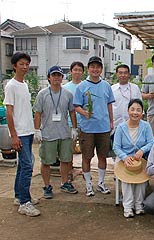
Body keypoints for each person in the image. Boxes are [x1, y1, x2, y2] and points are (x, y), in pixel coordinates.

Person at [4, 52, 40, 217]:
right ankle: (25, 203)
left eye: (27, 64)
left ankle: (19, 197)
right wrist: (13, 135)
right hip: (20, 133)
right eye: (21, 64)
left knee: (23, 165)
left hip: (28, 130)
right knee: (27, 166)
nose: (25, 67)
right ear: (14, 66)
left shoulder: (24, 84)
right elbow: (9, 113)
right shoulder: (11, 86)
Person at [33, 66, 78, 199]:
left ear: (62, 78)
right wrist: (37, 130)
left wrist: (74, 128)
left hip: (64, 133)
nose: (57, 78)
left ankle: (64, 183)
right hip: (48, 133)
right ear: (49, 77)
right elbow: (38, 113)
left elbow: (72, 112)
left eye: (59, 75)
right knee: (46, 161)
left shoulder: (68, 94)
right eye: (54, 75)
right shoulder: (42, 94)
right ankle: (47, 186)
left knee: (65, 159)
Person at [73, 56, 115, 197]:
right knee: (87, 157)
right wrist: (84, 113)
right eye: (92, 67)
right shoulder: (82, 86)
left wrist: (111, 121)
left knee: (103, 156)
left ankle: (101, 183)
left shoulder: (106, 86)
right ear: (88, 69)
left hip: (103, 127)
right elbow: (76, 106)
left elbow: (109, 104)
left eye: (98, 67)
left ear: (101, 69)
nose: (95, 69)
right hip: (87, 128)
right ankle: (88, 185)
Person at [113, 99, 154, 218]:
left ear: (142, 113)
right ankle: (127, 207)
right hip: (124, 158)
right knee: (127, 180)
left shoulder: (146, 126)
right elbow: (116, 147)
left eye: (138, 110)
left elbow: (151, 142)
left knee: (141, 180)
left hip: (140, 159)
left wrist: (142, 150)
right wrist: (125, 157)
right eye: (132, 109)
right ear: (128, 111)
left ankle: (139, 205)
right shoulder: (121, 127)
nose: (135, 113)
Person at [63, 61, 84, 180]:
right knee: (68, 150)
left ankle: (84, 170)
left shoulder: (86, 86)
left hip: (85, 124)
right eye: (75, 69)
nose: (77, 72)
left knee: (85, 150)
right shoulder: (65, 88)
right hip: (70, 124)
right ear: (71, 71)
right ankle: (69, 172)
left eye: (80, 70)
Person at [111, 64, 142, 131]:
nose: (123, 75)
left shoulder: (135, 88)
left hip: (133, 124)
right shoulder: (112, 89)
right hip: (116, 125)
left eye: (125, 73)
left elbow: (140, 106)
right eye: (120, 73)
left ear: (129, 74)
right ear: (117, 74)